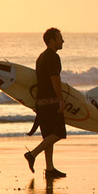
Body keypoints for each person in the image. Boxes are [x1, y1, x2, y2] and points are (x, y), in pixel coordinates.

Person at [24, 28, 67, 178]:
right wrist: (61, 100)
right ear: (51, 41)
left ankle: (50, 169)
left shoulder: (41, 57)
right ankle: (32, 154)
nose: (62, 41)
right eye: (60, 38)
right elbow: (55, 79)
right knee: (59, 133)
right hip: (51, 102)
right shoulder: (53, 57)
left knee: (48, 135)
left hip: (41, 101)